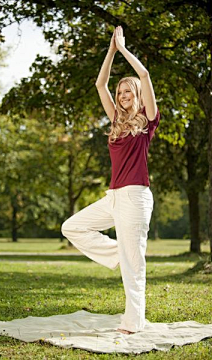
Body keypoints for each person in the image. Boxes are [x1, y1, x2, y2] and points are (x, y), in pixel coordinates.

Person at [61, 26, 160, 335]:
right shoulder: (117, 120)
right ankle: (119, 253)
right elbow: (99, 83)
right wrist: (111, 50)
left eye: (127, 91)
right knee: (72, 227)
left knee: (134, 268)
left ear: (137, 95)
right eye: (120, 93)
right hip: (114, 195)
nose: (123, 95)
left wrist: (126, 50)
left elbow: (144, 76)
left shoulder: (149, 119)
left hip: (136, 196)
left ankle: (133, 323)